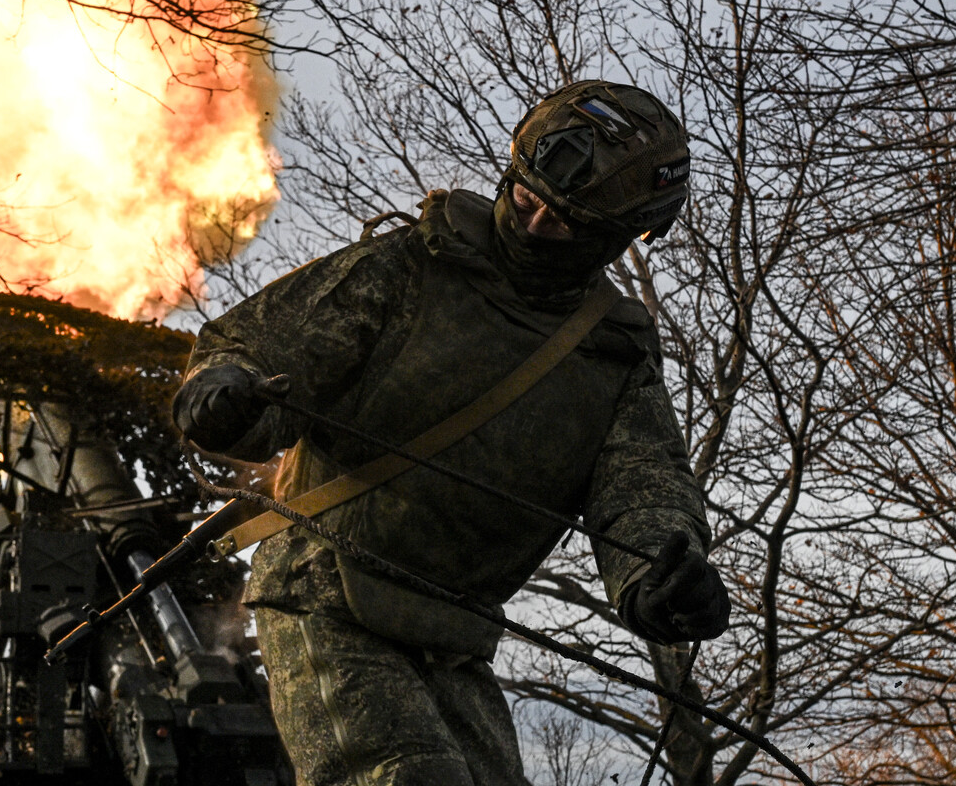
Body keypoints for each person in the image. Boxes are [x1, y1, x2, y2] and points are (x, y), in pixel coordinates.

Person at [174, 80, 730, 786]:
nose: (531, 225)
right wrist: (224, 395)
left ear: (618, 236)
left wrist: (661, 574)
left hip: (454, 638)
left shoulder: (611, 354)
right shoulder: (411, 267)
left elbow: (642, 483)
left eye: (562, 221)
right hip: (324, 592)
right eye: (524, 196)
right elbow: (265, 358)